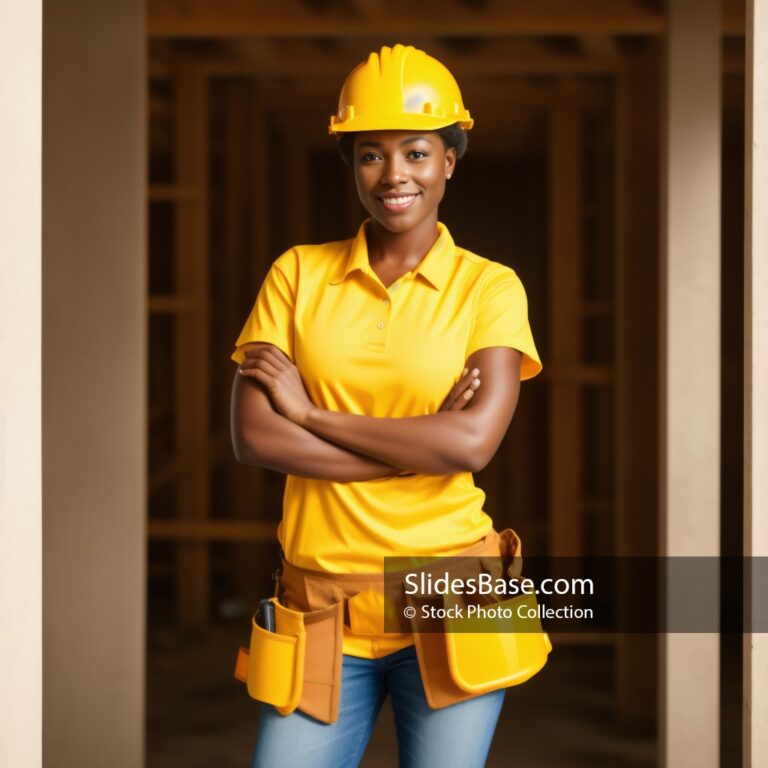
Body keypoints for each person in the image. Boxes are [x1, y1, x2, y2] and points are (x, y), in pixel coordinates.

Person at [231, 43, 542, 768]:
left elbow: (470, 446)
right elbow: (252, 435)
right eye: (371, 154)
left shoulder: (490, 287)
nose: (394, 175)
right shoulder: (297, 274)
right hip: (317, 602)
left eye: (417, 152)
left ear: (450, 161)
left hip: (453, 594)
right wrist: (412, 448)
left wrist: (308, 414)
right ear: (350, 164)